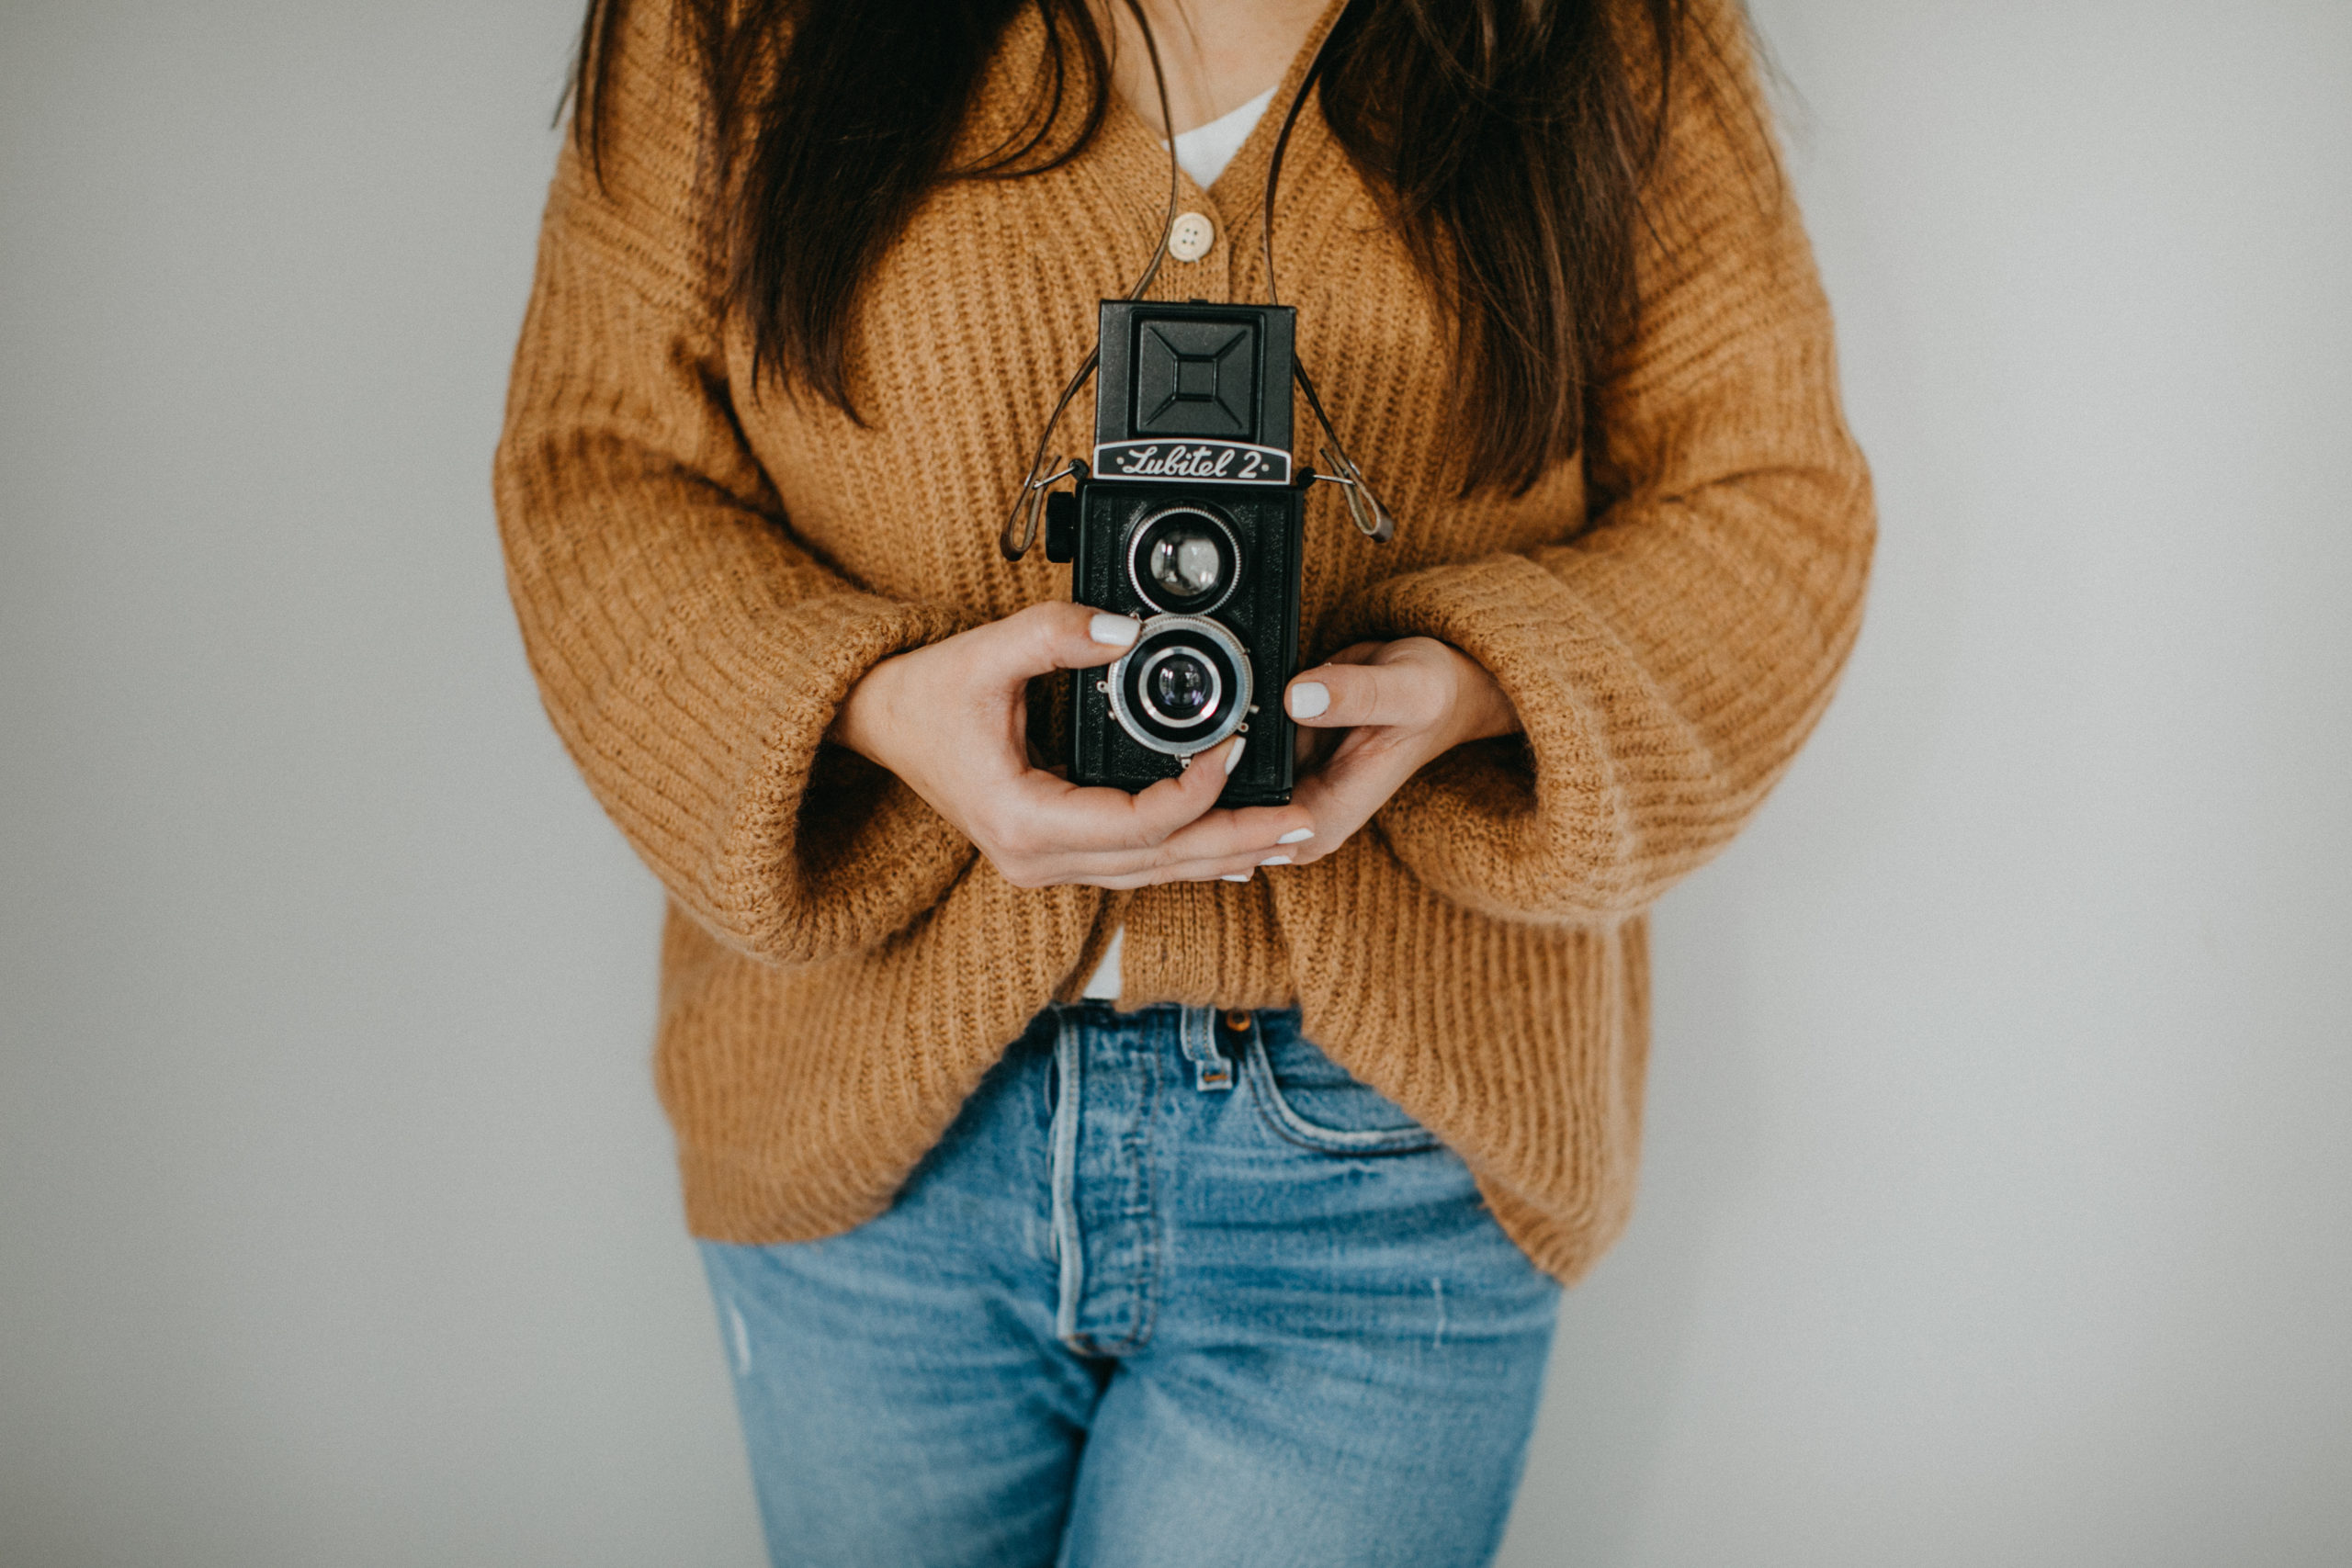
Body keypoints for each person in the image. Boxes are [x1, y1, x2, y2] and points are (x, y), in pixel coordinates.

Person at [493, 0, 1871, 1561]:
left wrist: (1481, 689)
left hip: (1384, 1144)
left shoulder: (1602, 29)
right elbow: (598, 465)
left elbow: (1769, 499)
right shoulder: (732, 24)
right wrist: (875, 711)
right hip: (867, 1119)